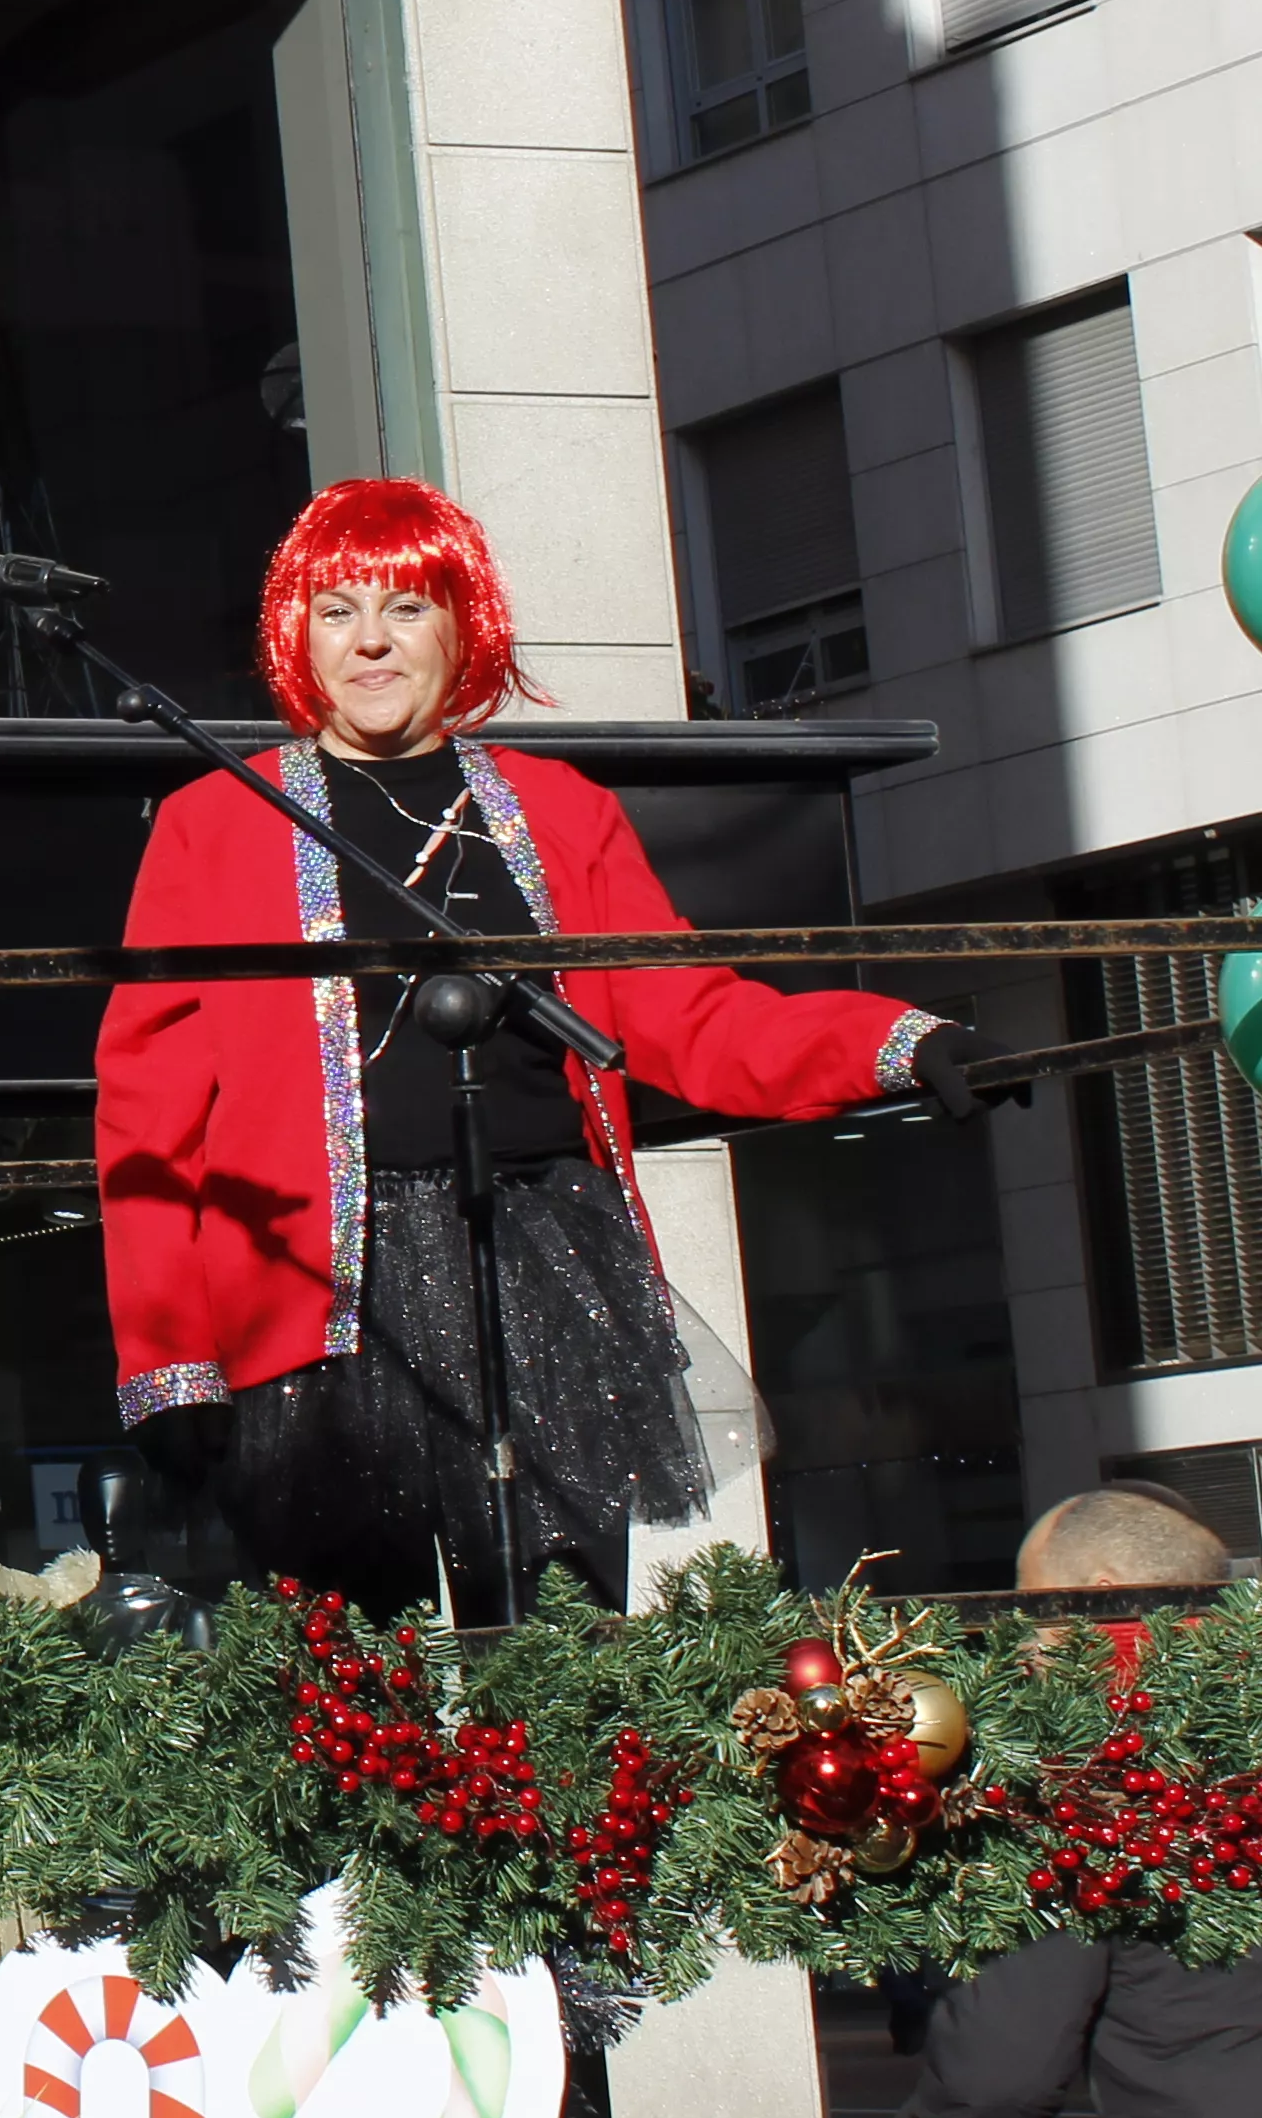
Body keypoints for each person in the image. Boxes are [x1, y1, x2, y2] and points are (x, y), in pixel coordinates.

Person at [98, 479, 980, 1616]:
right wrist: (168, 1364)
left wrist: (895, 1042)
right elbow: (148, 1113)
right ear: (294, 633)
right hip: (322, 1302)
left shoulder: (558, 808)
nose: (370, 641)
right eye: (336, 610)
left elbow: (690, 1016)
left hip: (541, 1260)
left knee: (562, 1666)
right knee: (348, 1696)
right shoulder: (213, 823)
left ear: (464, 627)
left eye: (407, 607)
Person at [884, 1483, 1262, 2118]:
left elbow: (1002, 2072)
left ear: (1101, 1599)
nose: (1023, 1641)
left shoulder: (1094, 1771)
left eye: (1034, 1606)